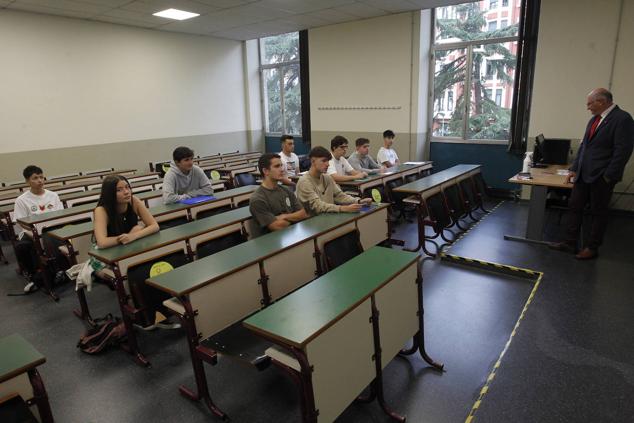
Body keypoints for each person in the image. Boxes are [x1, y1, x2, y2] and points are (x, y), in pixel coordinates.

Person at [550, 88, 633, 259]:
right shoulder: (594, 120)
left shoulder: (622, 119)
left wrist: (608, 175)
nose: (588, 107)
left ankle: (592, 247)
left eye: (590, 103)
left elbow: (623, 151)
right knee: (574, 207)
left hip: (601, 177)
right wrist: (574, 169)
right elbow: (584, 146)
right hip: (583, 174)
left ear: (602, 102)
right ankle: (569, 243)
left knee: (598, 212)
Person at [93, 176, 174, 329]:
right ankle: (144, 315)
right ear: (109, 193)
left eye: (127, 187)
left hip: (131, 247)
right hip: (107, 256)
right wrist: (131, 234)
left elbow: (154, 225)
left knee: (154, 264)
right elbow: (102, 242)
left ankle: (163, 308)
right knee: (137, 273)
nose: (126, 192)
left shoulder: (134, 201)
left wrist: (134, 235)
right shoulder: (101, 210)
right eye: (119, 190)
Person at [14, 165, 64, 292]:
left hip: (51, 230)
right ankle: (33, 276)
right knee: (22, 246)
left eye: (41, 177)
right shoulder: (21, 200)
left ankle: (60, 269)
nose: (40, 180)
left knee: (57, 238)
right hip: (31, 232)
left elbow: (61, 216)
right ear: (27, 181)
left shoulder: (53, 195)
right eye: (35, 178)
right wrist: (36, 235)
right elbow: (21, 223)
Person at [296, 146, 372, 215]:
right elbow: (317, 206)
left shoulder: (327, 178)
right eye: (324, 161)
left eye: (328, 161)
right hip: (312, 222)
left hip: (328, 217)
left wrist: (358, 201)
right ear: (313, 161)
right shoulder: (304, 182)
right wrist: (342, 208)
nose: (328, 164)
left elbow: (340, 196)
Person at [249, 153, 308, 234]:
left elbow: (304, 213)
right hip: (273, 242)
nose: (282, 169)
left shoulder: (286, 190)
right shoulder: (258, 199)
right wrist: (295, 218)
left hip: (294, 235)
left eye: (281, 165)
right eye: (277, 166)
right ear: (265, 171)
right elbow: (277, 226)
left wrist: (284, 216)